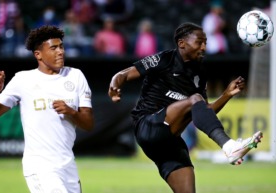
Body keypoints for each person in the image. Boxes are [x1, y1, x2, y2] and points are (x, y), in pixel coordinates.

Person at [108, 22, 263, 193]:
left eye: (205, 42)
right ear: (182, 43)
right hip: (148, 126)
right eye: (199, 42)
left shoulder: (199, 73)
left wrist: (226, 94)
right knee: (194, 99)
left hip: (169, 141)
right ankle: (229, 147)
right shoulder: (164, 59)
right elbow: (123, 74)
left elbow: (204, 112)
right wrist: (114, 86)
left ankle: (229, 147)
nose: (204, 47)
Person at [0, 25, 94, 193]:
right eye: (53, 48)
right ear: (38, 54)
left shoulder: (75, 76)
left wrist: (71, 112)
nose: (60, 51)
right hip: (40, 165)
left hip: (67, 164)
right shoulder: (23, 79)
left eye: (61, 46)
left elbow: (88, 124)